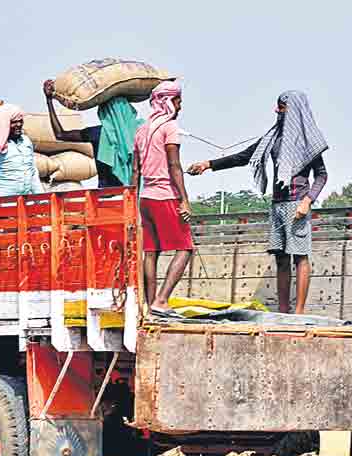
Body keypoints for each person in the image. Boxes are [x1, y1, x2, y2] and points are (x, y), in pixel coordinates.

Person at [188, 91, 328, 314]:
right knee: (281, 258)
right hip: (277, 204)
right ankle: (283, 310)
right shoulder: (272, 137)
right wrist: (209, 164)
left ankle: (299, 312)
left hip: (297, 204)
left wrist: (308, 201)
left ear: (292, 110)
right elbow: (243, 157)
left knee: (300, 257)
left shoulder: (308, 140)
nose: (276, 110)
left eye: (280, 107)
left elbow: (321, 175)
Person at [134, 81, 193, 313]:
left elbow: (135, 171)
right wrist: (184, 199)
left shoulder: (141, 130)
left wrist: (133, 201)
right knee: (186, 248)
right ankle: (161, 300)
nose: (180, 106)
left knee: (150, 252)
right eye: (178, 101)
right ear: (169, 101)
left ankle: (150, 307)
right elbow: (174, 165)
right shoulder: (170, 127)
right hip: (165, 196)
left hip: (145, 198)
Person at [42, 80, 140, 187]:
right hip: (140, 191)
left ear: (104, 113)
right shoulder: (142, 131)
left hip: (107, 194)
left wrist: (49, 101)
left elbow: (60, 134)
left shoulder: (97, 133)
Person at [0, 105, 44, 197]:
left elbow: (32, 173)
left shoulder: (26, 141)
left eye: (20, 121)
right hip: (2, 201)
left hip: (23, 200)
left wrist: (42, 198)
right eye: (14, 122)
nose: (19, 125)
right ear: (4, 123)